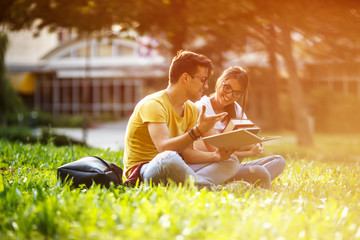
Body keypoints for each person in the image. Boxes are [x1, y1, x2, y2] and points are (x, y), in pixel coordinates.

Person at [122, 50, 241, 189]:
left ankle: (190, 184)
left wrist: (216, 157)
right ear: (185, 78)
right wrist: (198, 131)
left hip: (177, 165)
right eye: (202, 80)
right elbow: (164, 148)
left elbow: (187, 154)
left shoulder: (191, 109)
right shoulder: (153, 104)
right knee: (169, 158)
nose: (206, 86)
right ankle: (214, 190)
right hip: (144, 171)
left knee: (231, 161)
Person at [195, 66, 286, 189]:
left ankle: (241, 183)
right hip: (211, 168)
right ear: (219, 81)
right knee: (260, 172)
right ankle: (249, 182)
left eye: (236, 93)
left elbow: (246, 139)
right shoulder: (202, 108)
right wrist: (249, 152)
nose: (229, 95)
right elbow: (216, 153)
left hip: (231, 165)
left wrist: (254, 143)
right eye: (227, 87)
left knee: (279, 161)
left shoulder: (236, 109)